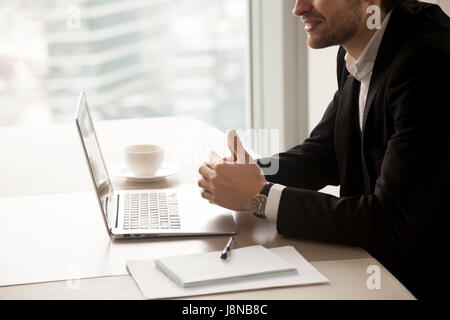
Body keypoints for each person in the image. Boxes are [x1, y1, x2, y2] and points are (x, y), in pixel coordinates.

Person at [198, 0, 450, 299]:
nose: (298, 8)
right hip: (373, 272)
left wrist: (260, 197)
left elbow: (389, 222)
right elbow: (324, 154)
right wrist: (244, 175)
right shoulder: (360, 46)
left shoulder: (427, 63)